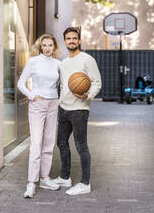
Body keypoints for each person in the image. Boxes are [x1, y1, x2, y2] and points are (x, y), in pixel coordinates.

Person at [52, 27, 102, 195]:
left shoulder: (87, 59)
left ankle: (85, 183)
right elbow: (63, 85)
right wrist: (59, 102)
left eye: (74, 38)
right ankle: (65, 177)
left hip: (79, 109)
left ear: (79, 41)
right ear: (65, 42)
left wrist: (87, 95)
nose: (71, 41)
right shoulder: (64, 63)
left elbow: (97, 82)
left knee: (81, 146)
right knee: (61, 142)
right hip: (64, 109)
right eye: (68, 38)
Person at [17, 33, 61, 198]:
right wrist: (31, 96)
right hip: (37, 104)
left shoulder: (58, 64)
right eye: (44, 45)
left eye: (50, 45)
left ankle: (44, 178)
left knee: (49, 143)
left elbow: (61, 84)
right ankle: (31, 183)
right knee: (36, 143)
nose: (47, 48)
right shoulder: (33, 61)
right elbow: (20, 83)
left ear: (54, 47)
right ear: (40, 47)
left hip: (53, 104)